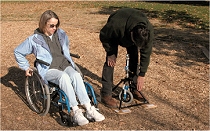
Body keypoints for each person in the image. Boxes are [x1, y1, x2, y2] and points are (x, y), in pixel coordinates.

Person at [14, 10, 105, 126]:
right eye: (51, 26)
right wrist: (26, 67)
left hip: (64, 64)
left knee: (76, 75)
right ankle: (76, 110)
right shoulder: (34, 39)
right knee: (63, 77)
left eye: (56, 25)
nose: (55, 28)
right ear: (43, 24)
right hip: (48, 69)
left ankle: (89, 109)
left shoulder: (61, 34)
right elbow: (18, 52)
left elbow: (65, 49)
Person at [99, 8, 154, 108]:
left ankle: (134, 88)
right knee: (110, 61)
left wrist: (142, 74)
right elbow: (104, 35)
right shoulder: (116, 25)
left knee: (134, 57)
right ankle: (106, 93)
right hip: (115, 34)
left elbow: (146, 53)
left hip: (131, 31)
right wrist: (110, 52)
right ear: (132, 35)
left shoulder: (147, 32)